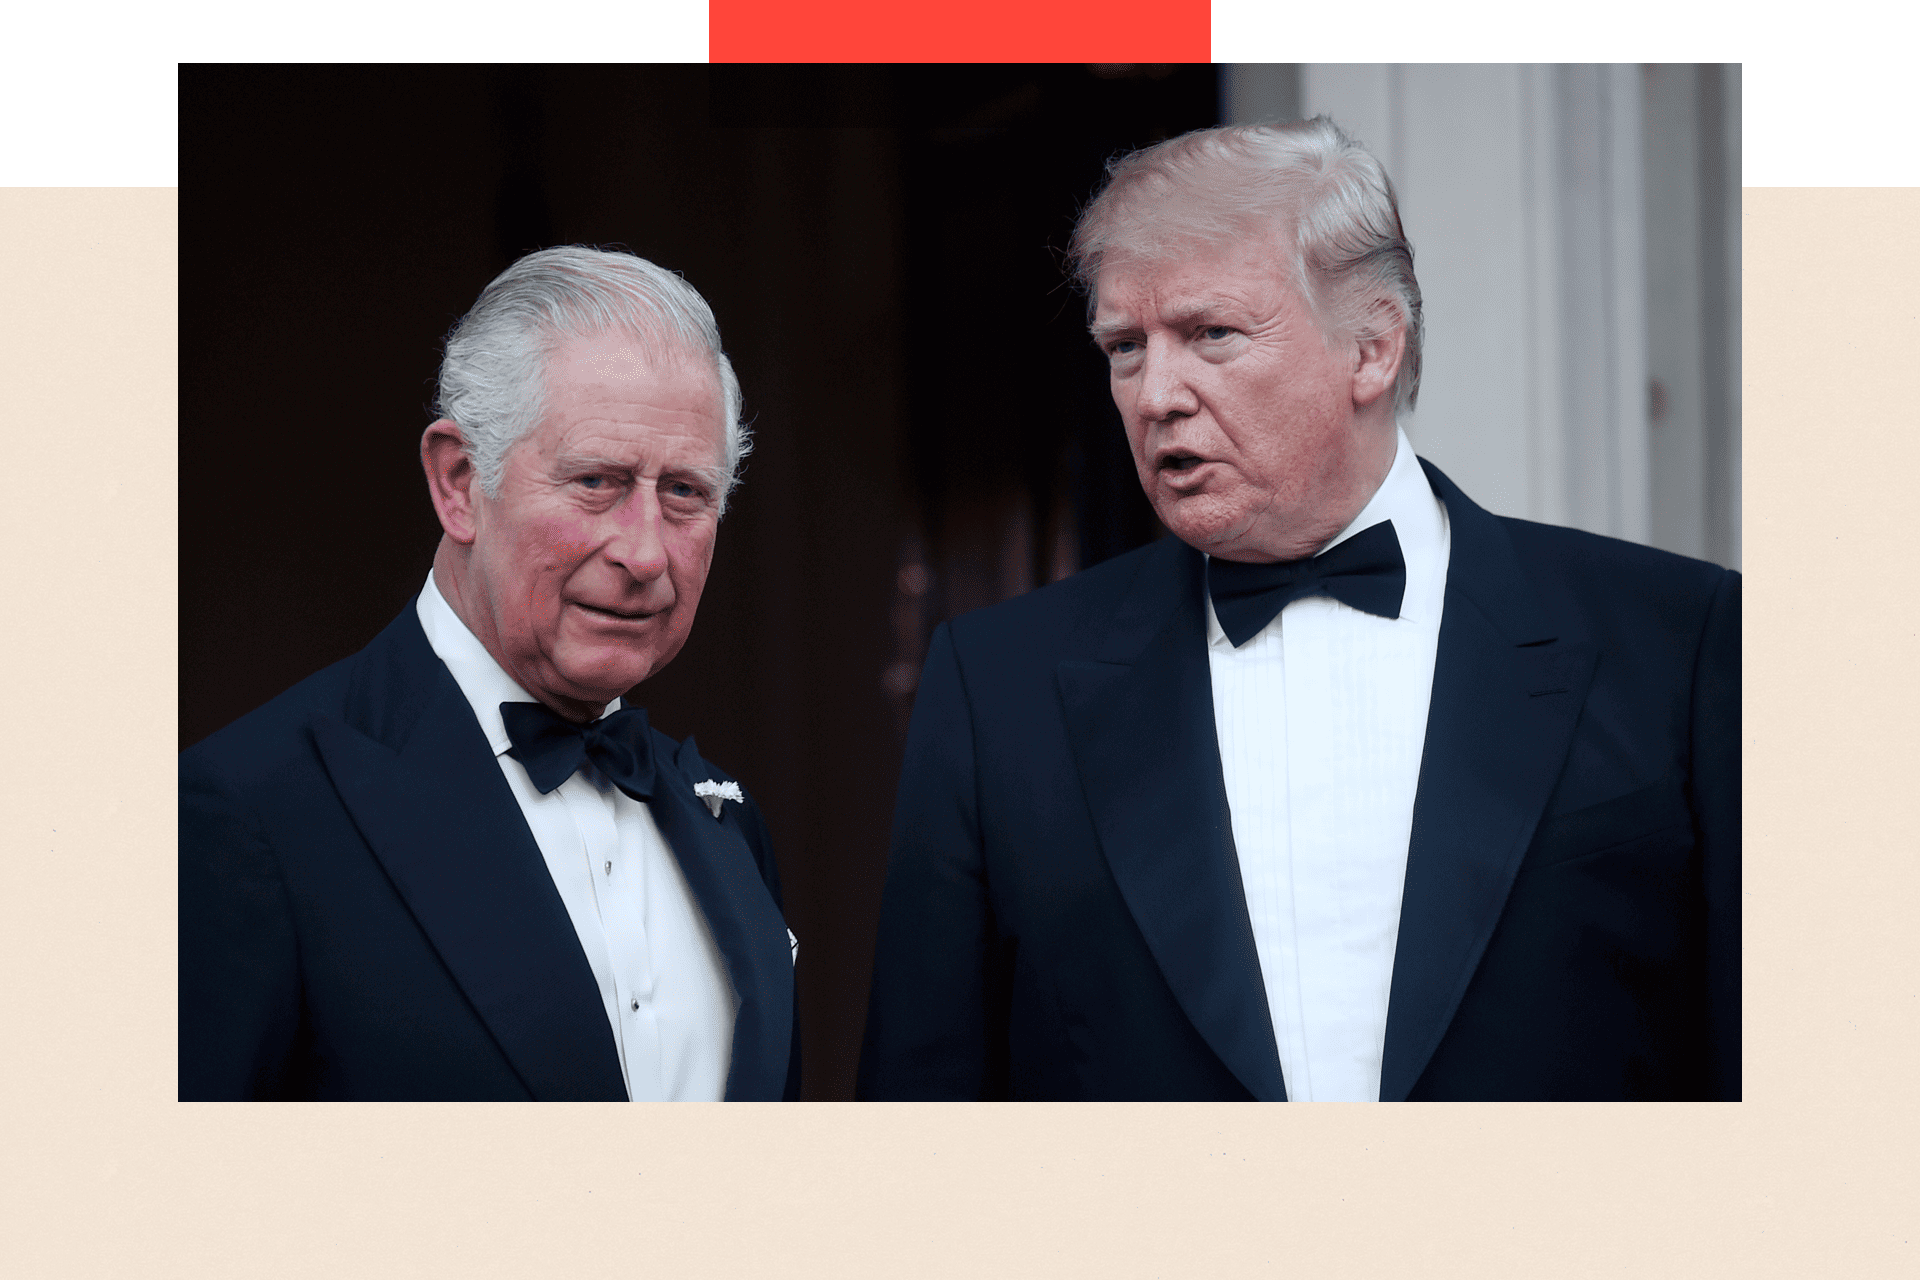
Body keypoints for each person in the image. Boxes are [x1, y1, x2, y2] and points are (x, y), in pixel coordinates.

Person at [857, 119, 1739, 1101]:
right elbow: (921, 1115)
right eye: (1123, 346)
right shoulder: (997, 689)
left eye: (1211, 334)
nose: (1155, 394)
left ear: (1371, 346)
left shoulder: (1678, 639)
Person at [180, 246, 799, 1101]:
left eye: (686, 493)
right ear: (460, 482)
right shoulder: (248, 812)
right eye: (596, 481)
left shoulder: (730, 825)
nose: (646, 551)